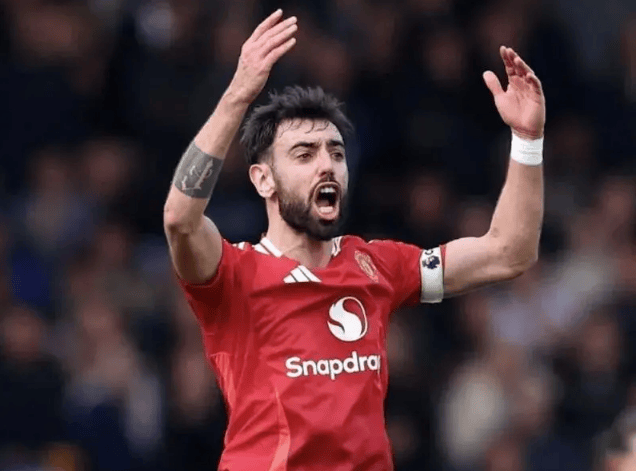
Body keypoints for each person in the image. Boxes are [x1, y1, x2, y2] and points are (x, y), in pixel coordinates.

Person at [163, 9, 546, 471]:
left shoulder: (376, 265)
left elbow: (509, 253)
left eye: (336, 152)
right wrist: (238, 95)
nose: (327, 164)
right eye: (304, 154)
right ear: (264, 180)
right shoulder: (232, 274)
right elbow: (180, 219)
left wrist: (527, 139)